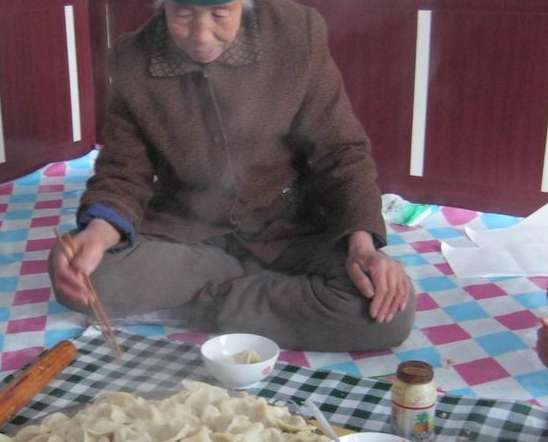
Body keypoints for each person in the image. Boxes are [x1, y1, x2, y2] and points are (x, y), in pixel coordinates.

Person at [48, 0, 415, 351]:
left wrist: (362, 248)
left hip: (291, 228)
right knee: (81, 274)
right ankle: (275, 299)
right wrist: (98, 234)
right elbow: (124, 170)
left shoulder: (296, 32)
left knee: (387, 314)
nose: (201, 36)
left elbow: (339, 151)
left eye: (220, 13)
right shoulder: (133, 56)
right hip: (191, 231)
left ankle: (199, 305)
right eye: (183, 14)